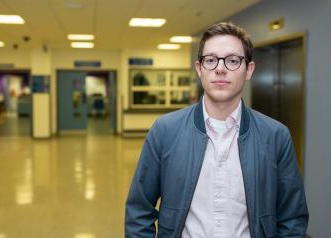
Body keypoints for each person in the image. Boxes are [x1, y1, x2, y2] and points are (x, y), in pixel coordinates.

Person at [125, 22, 308, 237]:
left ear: (249, 70)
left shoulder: (276, 136)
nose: (220, 69)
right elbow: (139, 210)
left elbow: (291, 218)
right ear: (199, 68)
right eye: (210, 60)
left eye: (232, 60)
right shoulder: (165, 130)